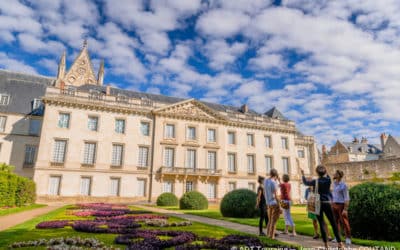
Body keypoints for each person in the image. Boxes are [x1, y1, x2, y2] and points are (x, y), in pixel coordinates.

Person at [301, 165, 343, 249]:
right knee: (333, 223)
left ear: (317, 173)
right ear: (325, 172)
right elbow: (326, 174)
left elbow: (305, 182)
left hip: (318, 203)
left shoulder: (315, 181)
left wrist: (302, 174)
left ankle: (326, 245)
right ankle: (340, 243)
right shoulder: (328, 180)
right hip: (327, 202)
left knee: (321, 223)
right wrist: (325, 170)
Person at [332, 170, 351, 245]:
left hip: (341, 205)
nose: (334, 174)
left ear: (339, 175)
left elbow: (347, 198)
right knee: (335, 222)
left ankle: (348, 238)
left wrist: (345, 209)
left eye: (335, 173)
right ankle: (337, 237)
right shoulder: (334, 184)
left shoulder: (344, 185)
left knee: (344, 222)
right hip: (334, 205)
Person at [264, 169, 281, 239]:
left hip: (268, 203)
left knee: (270, 220)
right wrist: (280, 206)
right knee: (274, 221)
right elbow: (276, 195)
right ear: (276, 175)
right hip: (274, 203)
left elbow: (266, 192)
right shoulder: (274, 182)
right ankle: (272, 236)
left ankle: (268, 234)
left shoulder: (265, 181)